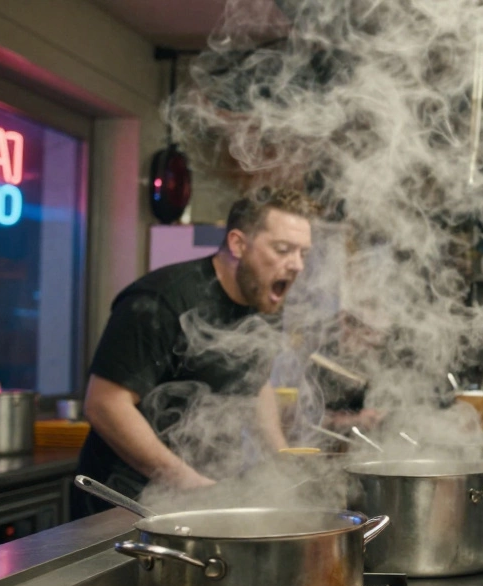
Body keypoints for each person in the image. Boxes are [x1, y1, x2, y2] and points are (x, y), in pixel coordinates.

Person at [73, 188, 317, 517]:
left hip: (202, 494)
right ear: (238, 244)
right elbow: (105, 404)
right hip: (127, 503)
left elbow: (255, 384)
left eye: (304, 253)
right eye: (284, 249)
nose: (297, 265)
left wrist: (282, 461)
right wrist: (192, 485)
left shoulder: (265, 304)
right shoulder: (162, 300)